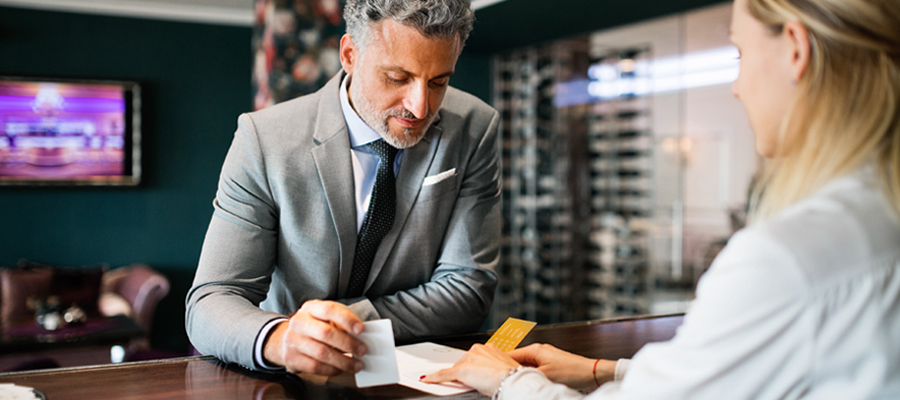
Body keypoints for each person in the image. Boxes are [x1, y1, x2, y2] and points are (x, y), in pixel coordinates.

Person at [423, 0, 900, 398]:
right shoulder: (878, 217)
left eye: (738, 54)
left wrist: (508, 381)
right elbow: (736, 369)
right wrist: (602, 371)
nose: (736, 87)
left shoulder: (786, 259)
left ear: (795, 50)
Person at [186, 0, 501, 376]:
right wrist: (283, 338)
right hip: (286, 378)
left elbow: (468, 289)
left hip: (416, 375)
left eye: (439, 82)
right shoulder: (265, 139)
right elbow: (211, 301)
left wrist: (340, 326)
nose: (420, 107)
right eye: (398, 78)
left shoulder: (475, 127)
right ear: (350, 54)